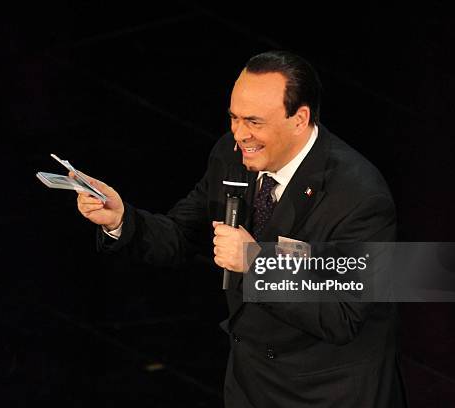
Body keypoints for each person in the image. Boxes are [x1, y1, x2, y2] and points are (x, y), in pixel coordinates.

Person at [72, 51, 408, 407]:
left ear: (299, 119)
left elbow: (342, 316)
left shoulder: (359, 195)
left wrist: (255, 262)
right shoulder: (231, 157)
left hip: (328, 392)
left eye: (254, 122)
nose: (239, 134)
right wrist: (121, 219)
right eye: (234, 118)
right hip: (252, 384)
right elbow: (181, 234)